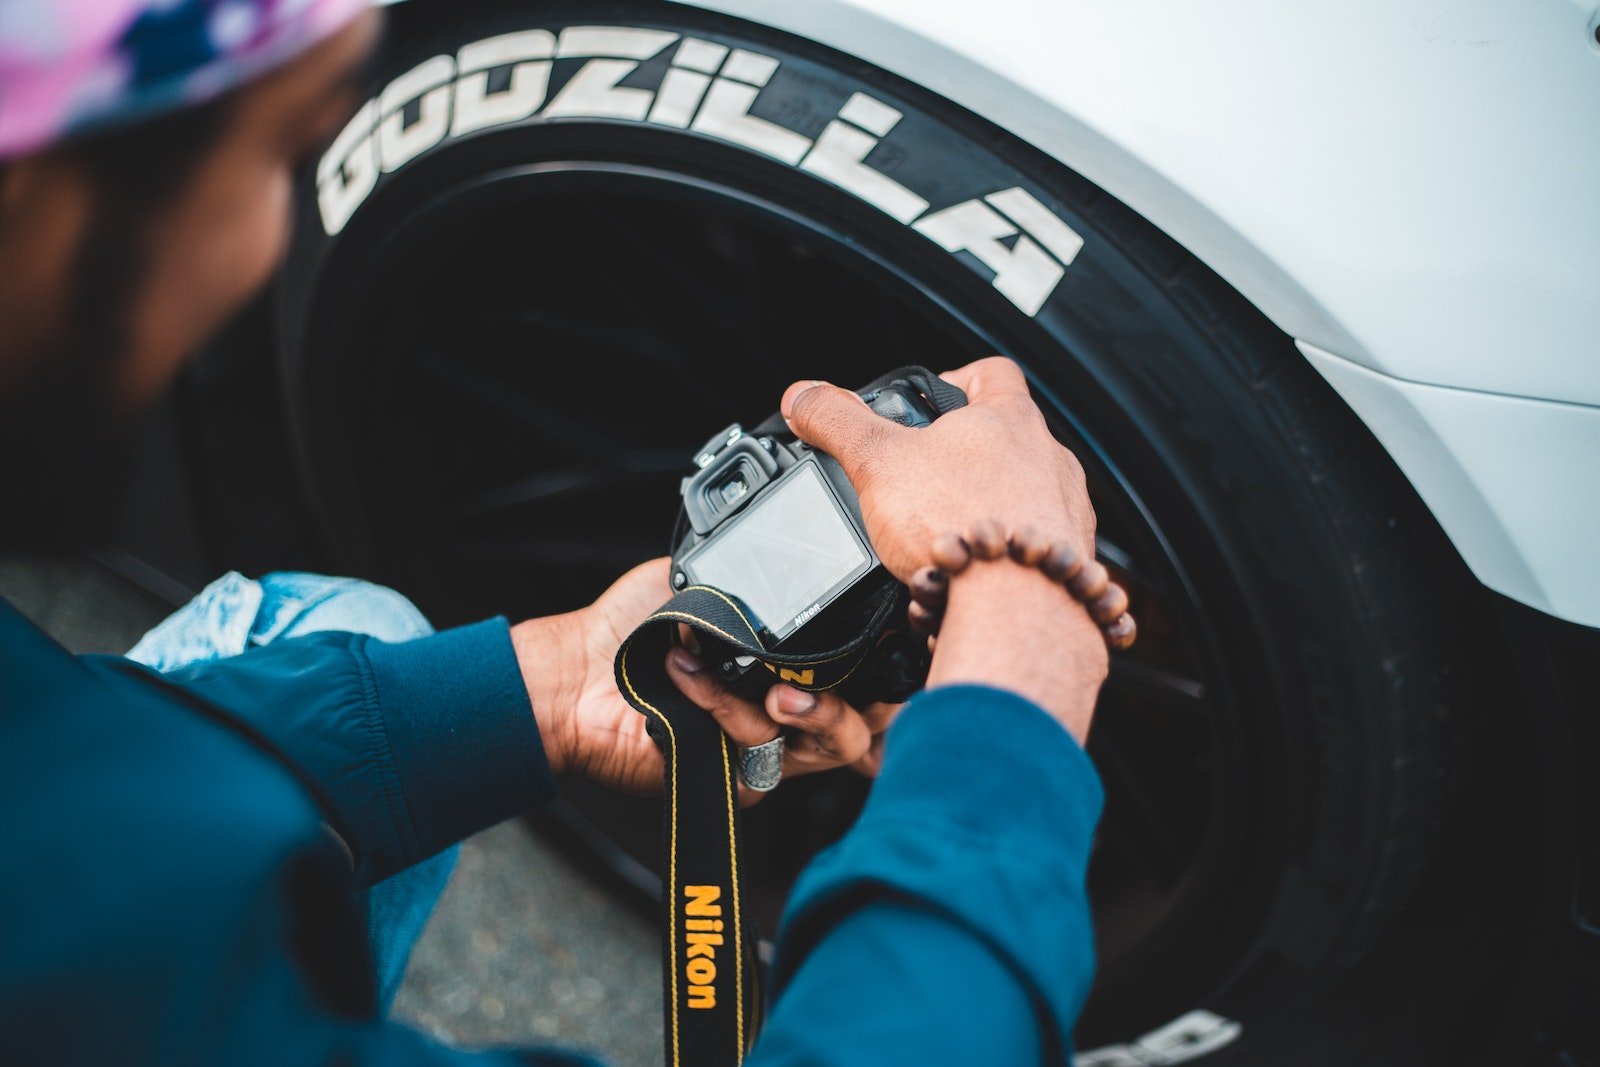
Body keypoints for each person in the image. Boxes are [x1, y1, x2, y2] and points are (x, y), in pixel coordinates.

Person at [0, 2, 1109, 1064]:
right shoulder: (106, 997)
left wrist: (553, 681)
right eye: (285, 153)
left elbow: (57, 778)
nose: (270, 239)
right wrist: (1019, 651)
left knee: (350, 623)